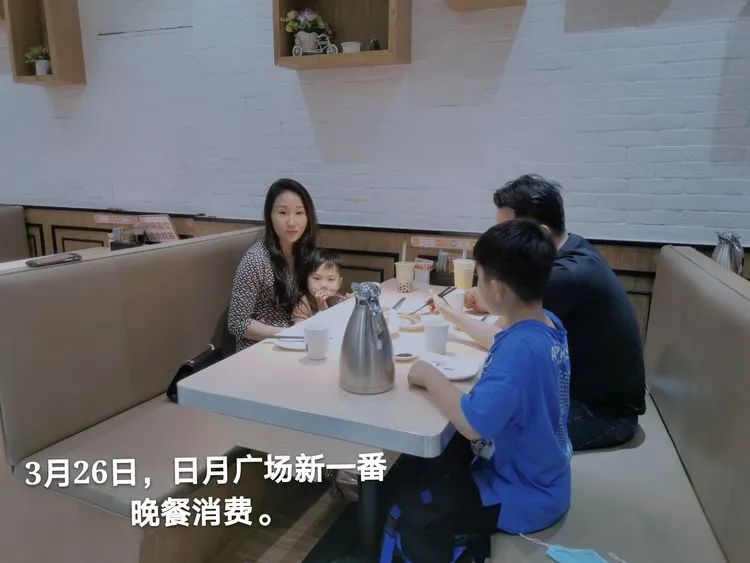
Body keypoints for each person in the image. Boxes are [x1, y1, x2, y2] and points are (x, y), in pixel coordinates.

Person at [382, 220, 571, 563]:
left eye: (479, 277)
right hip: (547, 480)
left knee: (415, 505)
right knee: (432, 466)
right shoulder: (547, 325)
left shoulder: (519, 350)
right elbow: (499, 338)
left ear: (496, 289)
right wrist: (452, 316)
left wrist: (429, 375)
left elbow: (473, 424)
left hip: (520, 496)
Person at [437, 174, 646, 451]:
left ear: (543, 234)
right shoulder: (573, 248)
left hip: (600, 414)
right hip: (580, 396)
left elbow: (501, 339)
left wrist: (450, 314)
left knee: (471, 429)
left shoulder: (564, 275)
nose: (502, 242)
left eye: (509, 231)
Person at [227, 178, 318, 351]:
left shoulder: (306, 253)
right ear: (270, 216)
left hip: (297, 342)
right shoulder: (256, 259)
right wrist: (289, 334)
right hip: (259, 348)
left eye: (299, 213)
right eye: (282, 213)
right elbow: (237, 322)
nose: (292, 222)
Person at [291, 249, 349, 324]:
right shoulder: (303, 304)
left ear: (339, 283)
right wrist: (321, 314)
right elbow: (299, 328)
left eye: (330, 279)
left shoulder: (340, 302)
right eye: (317, 278)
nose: (323, 285)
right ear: (306, 280)